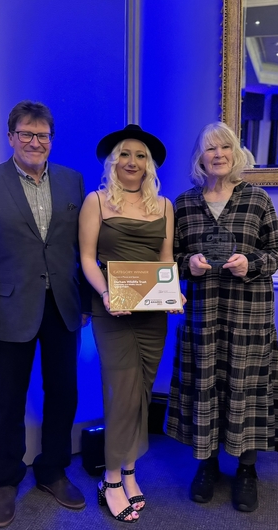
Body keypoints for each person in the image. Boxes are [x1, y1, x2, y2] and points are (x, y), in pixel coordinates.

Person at [0, 100, 90, 528]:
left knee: (64, 394)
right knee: (8, 402)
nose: (35, 142)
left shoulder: (73, 182)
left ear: (52, 139)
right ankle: (7, 481)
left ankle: (52, 470)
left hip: (64, 308)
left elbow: (80, 250)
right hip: (8, 309)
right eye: (26, 135)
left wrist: (91, 302)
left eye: (43, 135)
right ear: (11, 137)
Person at [165, 121, 278, 513]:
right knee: (205, 387)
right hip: (203, 315)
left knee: (245, 390)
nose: (217, 155)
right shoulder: (183, 204)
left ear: (236, 154)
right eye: (209, 149)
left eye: (225, 148)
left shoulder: (257, 199)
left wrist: (250, 262)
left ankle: (248, 469)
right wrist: (191, 265)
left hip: (248, 316)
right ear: (200, 157)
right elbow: (171, 259)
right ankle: (207, 465)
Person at [79, 124, 182, 523]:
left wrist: (174, 292)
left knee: (142, 388)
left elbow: (165, 260)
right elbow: (87, 257)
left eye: (140, 156)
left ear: (149, 164)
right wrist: (106, 293)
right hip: (112, 309)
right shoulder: (97, 201)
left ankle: (130, 470)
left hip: (152, 312)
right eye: (125, 154)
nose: (132, 162)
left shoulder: (164, 206)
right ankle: (109, 479)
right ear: (113, 161)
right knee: (121, 391)